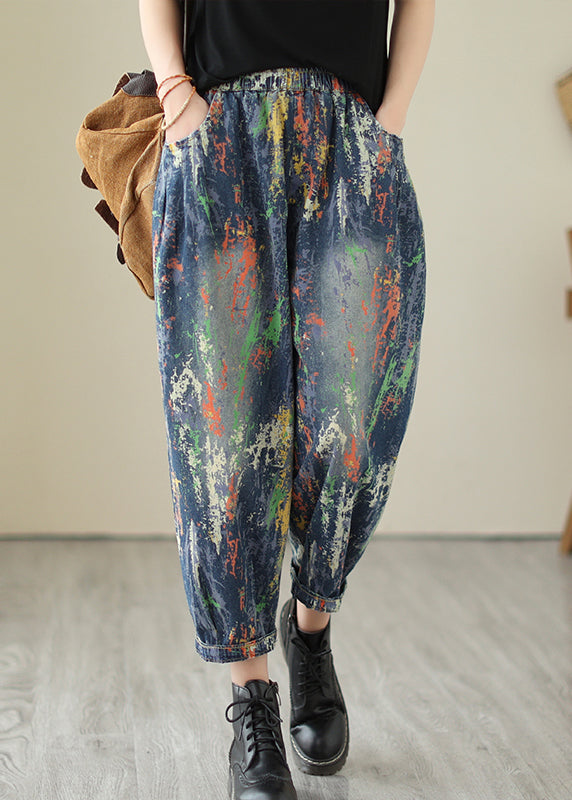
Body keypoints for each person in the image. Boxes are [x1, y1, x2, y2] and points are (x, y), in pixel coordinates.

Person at [139, 1, 434, 797]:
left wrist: (389, 121)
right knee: (226, 438)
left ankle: (310, 627)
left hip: (351, 140)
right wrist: (175, 94)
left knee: (354, 425)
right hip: (221, 133)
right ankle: (253, 699)